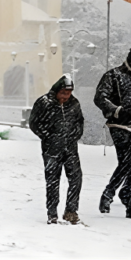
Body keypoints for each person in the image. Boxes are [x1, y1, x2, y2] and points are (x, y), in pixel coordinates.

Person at [95, 47, 131, 221]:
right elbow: (100, 98)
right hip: (120, 125)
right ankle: (112, 195)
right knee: (128, 161)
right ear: (130, 60)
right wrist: (118, 111)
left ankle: (129, 205)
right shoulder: (112, 76)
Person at [29, 74, 85, 225]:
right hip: (51, 149)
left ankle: (71, 211)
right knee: (53, 181)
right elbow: (34, 123)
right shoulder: (44, 103)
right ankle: (52, 213)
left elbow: (80, 122)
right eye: (63, 93)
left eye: (69, 93)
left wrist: (75, 135)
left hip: (71, 148)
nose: (66, 96)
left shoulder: (74, 104)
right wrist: (48, 136)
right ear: (57, 91)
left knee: (76, 179)